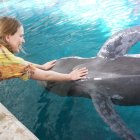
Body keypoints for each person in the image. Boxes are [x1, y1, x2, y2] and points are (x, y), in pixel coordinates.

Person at [0, 16, 88, 81]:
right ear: (8, 37)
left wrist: (42, 67)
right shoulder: (8, 59)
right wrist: (69, 76)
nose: (23, 41)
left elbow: (20, 62)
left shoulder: (4, 55)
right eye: (21, 36)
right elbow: (46, 76)